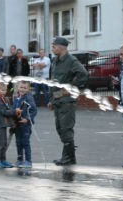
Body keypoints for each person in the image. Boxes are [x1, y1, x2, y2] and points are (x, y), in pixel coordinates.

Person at [48, 37, 88, 166]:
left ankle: (69, 157)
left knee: (66, 129)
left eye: (55, 46)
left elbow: (84, 74)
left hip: (67, 100)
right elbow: (53, 81)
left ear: (62, 47)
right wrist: (51, 99)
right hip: (57, 98)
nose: (52, 47)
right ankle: (68, 156)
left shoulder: (71, 61)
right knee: (60, 128)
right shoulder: (55, 61)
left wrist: (71, 87)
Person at [0, 80, 18, 169]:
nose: (4, 92)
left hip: (3, 124)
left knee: (4, 142)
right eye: (2, 90)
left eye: (5, 90)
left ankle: (3, 160)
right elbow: (4, 111)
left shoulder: (4, 99)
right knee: (0, 143)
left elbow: (9, 108)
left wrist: (14, 110)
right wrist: (14, 111)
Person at [12, 81, 38, 168]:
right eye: (21, 87)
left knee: (25, 142)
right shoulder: (17, 97)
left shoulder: (28, 98)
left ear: (28, 89)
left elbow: (34, 110)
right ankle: (20, 159)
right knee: (18, 142)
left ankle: (28, 160)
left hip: (26, 125)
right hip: (18, 123)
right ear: (18, 88)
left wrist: (27, 119)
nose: (22, 89)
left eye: (25, 88)